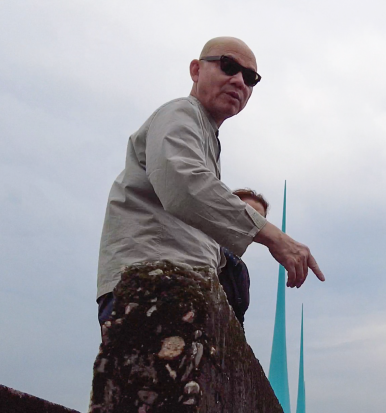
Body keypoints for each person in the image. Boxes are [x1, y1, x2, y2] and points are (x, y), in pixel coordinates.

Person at [97, 37, 323, 324]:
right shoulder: (180, 112)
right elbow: (185, 185)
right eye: (228, 66)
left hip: (188, 289)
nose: (239, 81)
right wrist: (275, 238)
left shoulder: (206, 137)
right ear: (196, 70)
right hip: (152, 283)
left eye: (250, 78)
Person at [218, 189, 268, 327]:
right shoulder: (204, 248)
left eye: (258, 220)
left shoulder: (239, 268)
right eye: (245, 214)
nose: (248, 224)